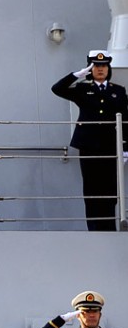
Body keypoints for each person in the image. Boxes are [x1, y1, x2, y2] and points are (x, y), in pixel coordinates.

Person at [51, 50, 128, 231]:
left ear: (108, 68)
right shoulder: (82, 89)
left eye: (104, 66)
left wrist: (125, 147)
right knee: (92, 189)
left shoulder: (118, 91)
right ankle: (94, 229)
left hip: (110, 146)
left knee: (110, 189)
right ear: (90, 68)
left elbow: (125, 119)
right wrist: (77, 75)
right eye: (96, 66)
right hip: (88, 146)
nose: (100, 69)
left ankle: (109, 227)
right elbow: (57, 89)